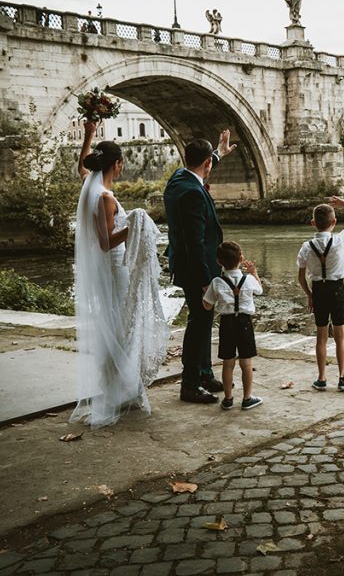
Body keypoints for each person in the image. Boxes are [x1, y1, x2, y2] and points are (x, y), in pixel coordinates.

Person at [72, 120, 167, 428]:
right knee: (124, 327)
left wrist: (89, 133)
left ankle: (123, 386)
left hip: (113, 269)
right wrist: (134, 225)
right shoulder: (105, 198)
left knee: (117, 326)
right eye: (121, 163)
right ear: (117, 164)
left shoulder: (93, 187)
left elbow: (81, 169)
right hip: (116, 268)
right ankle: (125, 389)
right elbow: (104, 242)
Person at [163, 131, 237, 404]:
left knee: (203, 322)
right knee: (198, 324)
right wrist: (207, 280)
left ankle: (204, 373)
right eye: (211, 163)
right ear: (205, 164)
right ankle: (191, 384)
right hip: (198, 269)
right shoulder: (193, 193)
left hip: (186, 265)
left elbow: (200, 167)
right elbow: (194, 242)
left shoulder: (178, 180)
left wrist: (219, 153)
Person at [297, 196, 344, 391]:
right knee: (340, 335)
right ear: (334, 222)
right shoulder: (340, 240)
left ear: (313, 223)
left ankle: (322, 378)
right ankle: (343, 377)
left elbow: (300, 277)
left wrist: (309, 295)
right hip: (337, 289)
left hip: (318, 290)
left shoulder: (307, 247)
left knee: (321, 336)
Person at [202, 241, 263, 411]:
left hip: (226, 324)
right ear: (241, 258)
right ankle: (247, 398)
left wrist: (206, 293)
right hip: (244, 323)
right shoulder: (249, 279)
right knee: (246, 363)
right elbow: (259, 290)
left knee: (228, 363)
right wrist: (254, 272)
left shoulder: (216, 282)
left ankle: (228, 399)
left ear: (218, 262)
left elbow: (207, 305)